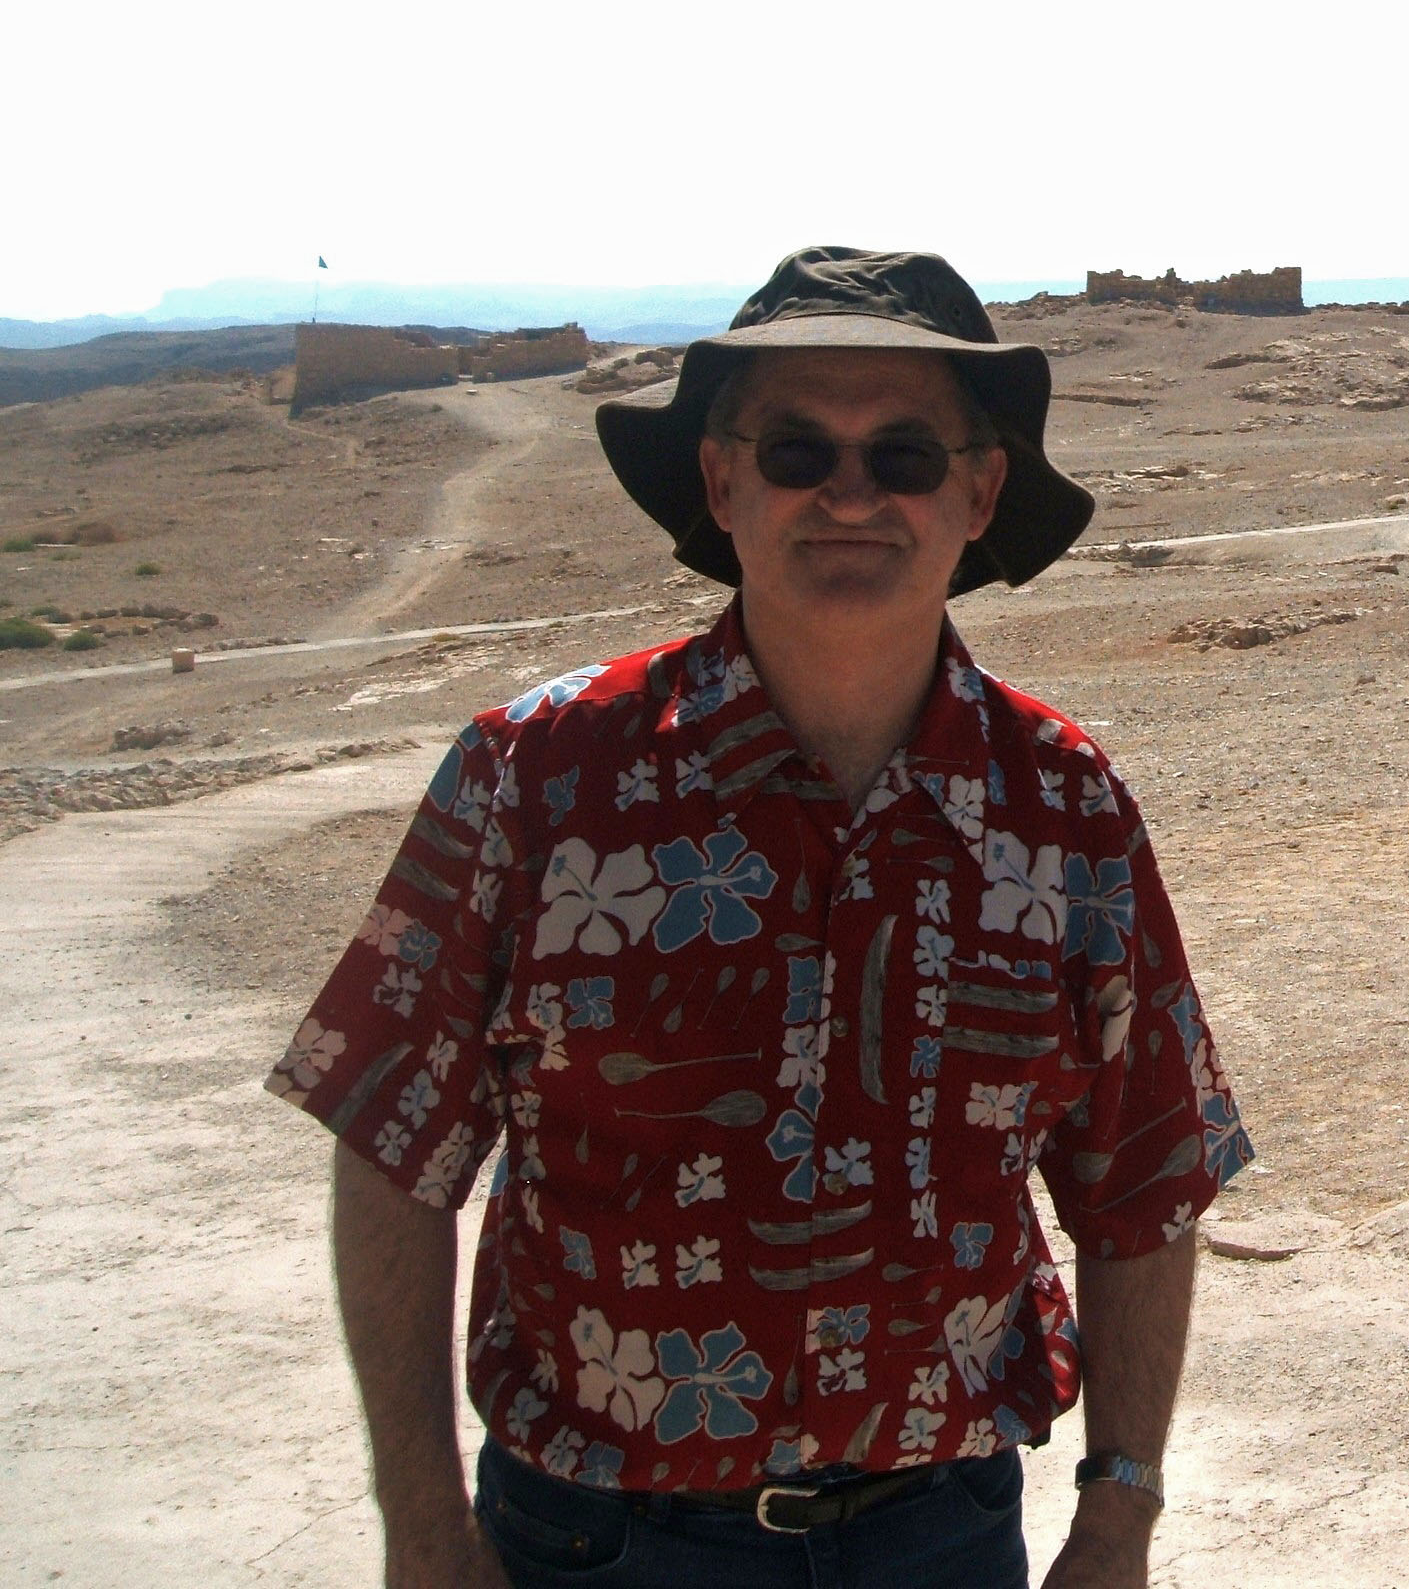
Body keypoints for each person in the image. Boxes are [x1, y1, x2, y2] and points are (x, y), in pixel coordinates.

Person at [269, 247, 1252, 1589]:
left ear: (978, 491)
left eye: (904, 455)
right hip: (597, 1545)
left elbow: (1146, 1180)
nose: (850, 493)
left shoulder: (1062, 809)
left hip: (942, 1539)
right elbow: (393, 1145)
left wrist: (1119, 1521)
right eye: (798, 450)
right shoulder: (536, 782)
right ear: (722, 483)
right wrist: (423, 1531)